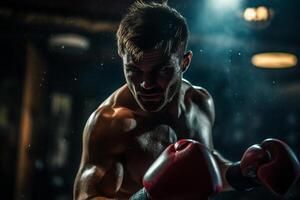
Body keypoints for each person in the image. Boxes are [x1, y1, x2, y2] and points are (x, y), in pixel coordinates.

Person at [73, 1, 300, 199]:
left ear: (184, 62)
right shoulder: (111, 123)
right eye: (133, 70)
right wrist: (147, 198)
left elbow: (202, 171)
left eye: (160, 70)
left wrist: (241, 173)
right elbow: (87, 197)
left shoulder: (199, 102)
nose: (145, 84)